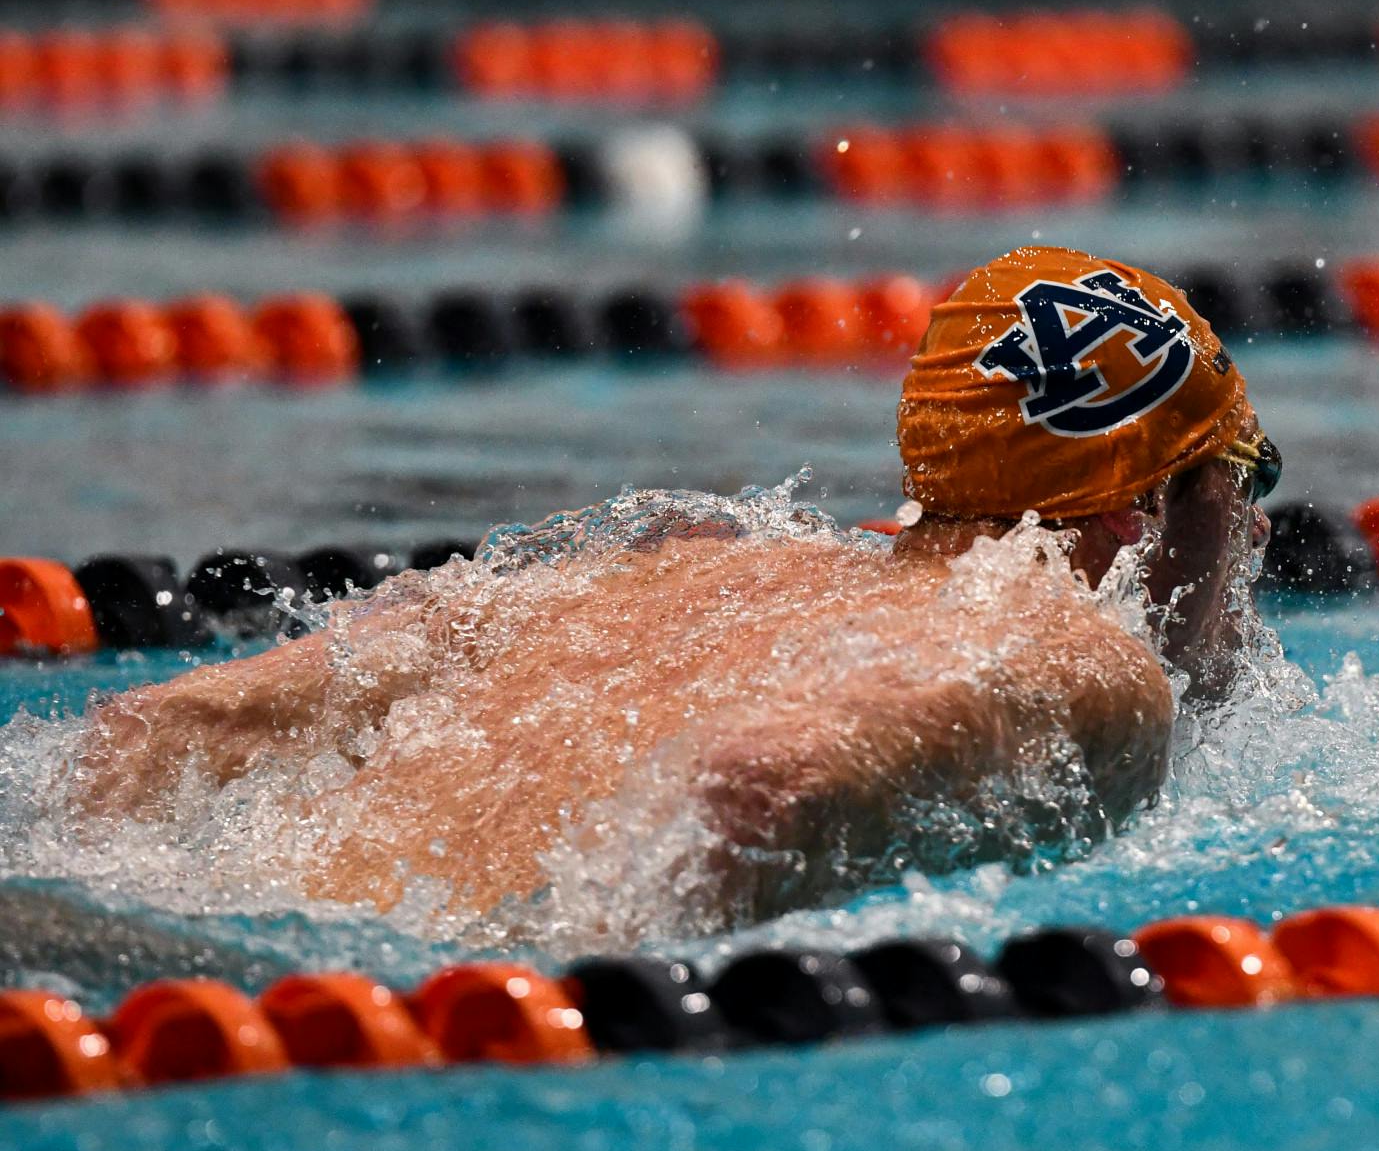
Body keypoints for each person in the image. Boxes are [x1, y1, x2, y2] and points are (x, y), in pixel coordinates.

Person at [68, 246, 1280, 932]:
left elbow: (158, 725)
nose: (1252, 541)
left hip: (178, 928)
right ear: (1148, 509)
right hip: (422, 1013)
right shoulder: (1087, 667)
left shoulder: (693, 570)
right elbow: (751, 789)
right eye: (1240, 484)